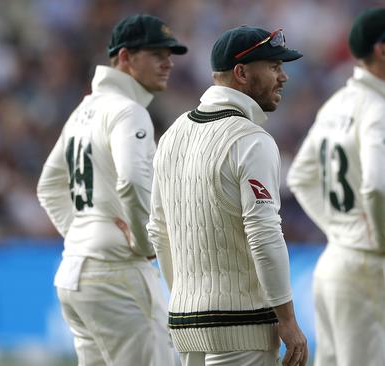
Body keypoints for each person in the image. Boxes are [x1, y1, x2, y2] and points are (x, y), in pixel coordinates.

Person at [146, 25, 308, 366]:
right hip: (241, 325)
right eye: (275, 67)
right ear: (242, 72)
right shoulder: (251, 140)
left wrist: (185, 297)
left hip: (186, 321)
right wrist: (288, 319)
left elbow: (158, 231)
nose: (284, 77)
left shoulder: (172, 135)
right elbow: (264, 235)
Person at [36, 14, 187, 366]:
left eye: (169, 54)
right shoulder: (128, 111)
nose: (168, 63)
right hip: (116, 274)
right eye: (156, 54)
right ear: (124, 58)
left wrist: (82, 234)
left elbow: (49, 186)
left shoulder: (83, 110)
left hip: (76, 273)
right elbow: (132, 180)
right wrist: (145, 241)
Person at [287, 7, 385, 366]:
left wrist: (343, 229)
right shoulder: (379, 111)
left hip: (334, 263)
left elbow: (300, 176)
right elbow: (377, 186)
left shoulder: (337, 104)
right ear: (382, 51)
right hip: (369, 269)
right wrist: (380, 240)